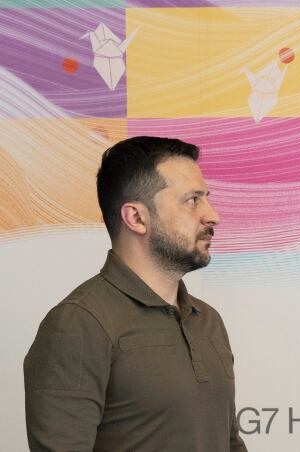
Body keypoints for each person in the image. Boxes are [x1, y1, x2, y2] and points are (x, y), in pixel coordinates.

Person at [24, 137, 247, 452]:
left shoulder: (208, 320)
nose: (213, 216)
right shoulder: (78, 323)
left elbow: (229, 443)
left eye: (207, 198)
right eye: (193, 200)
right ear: (136, 218)